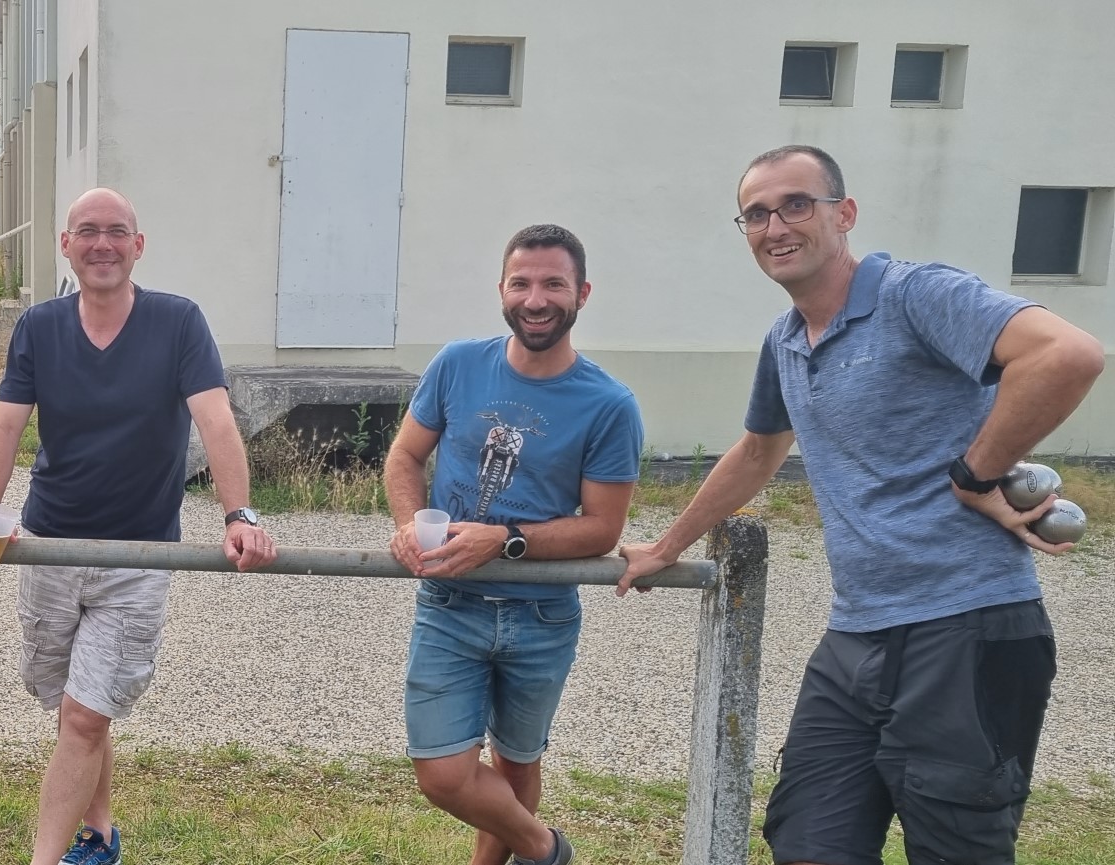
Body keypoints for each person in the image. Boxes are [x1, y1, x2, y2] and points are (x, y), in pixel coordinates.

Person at [618, 145, 1105, 865]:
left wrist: (977, 474)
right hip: (856, 637)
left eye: (795, 204)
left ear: (843, 214)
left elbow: (1067, 355)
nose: (775, 224)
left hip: (965, 625)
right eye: (756, 212)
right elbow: (758, 451)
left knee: (957, 849)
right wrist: (668, 545)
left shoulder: (916, 294)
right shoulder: (785, 341)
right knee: (809, 842)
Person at [0, 187, 279, 865]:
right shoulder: (40, 327)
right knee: (75, 702)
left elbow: (216, 420)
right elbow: (4, 424)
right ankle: (100, 832)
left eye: (116, 232)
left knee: (83, 712)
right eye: (87, 231)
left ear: (138, 244)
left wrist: (239, 513)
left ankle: (47, 859)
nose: (102, 244)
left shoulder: (178, 322)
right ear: (65, 244)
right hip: (49, 542)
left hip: (137, 552)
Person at [382, 224, 642, 865]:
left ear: (581, 293)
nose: (536, 299)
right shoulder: (457, 364)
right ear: (502, 289)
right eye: (521, 283)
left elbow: (602, 528)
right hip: (449, 604)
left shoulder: (609, 404)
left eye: (554, 284)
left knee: (518, 764)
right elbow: (404, 458)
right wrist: (412, 522)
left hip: (543, 614)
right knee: (442, 774)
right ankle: (547, 851)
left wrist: (506, 541)